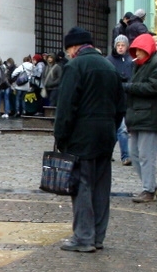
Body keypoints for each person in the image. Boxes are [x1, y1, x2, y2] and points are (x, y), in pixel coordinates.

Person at [53, 27, 124, 252]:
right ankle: (98, 236)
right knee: (101, 186)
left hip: (81, 135)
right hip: (105, 133)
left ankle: (84, 237)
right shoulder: (109, 66)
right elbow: (121, 105)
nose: (68, 54)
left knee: (81, 185)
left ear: (74, 47)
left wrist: (61, 137)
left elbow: (66, 107)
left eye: (68, 49)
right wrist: (111, 129)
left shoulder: (75, 66)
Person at [123, 33, 157, 202]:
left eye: (140, 51)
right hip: (138, 115)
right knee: (134, 154)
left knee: (146, 155)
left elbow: (154, 87)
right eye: (135, 51)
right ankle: (150, 185)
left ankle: (148, 189)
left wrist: (129, 87)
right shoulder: (140, 65)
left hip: (149, 116)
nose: (137, 55)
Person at [107, 35, 134, 166]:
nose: (120, 47)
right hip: (112, 99)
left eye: (123, 45)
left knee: (122, 129)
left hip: (126, 99)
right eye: (118, 45)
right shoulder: (109, 60)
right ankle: (109, 153)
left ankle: (125, 156)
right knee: (114, 128)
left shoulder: (131, 61)